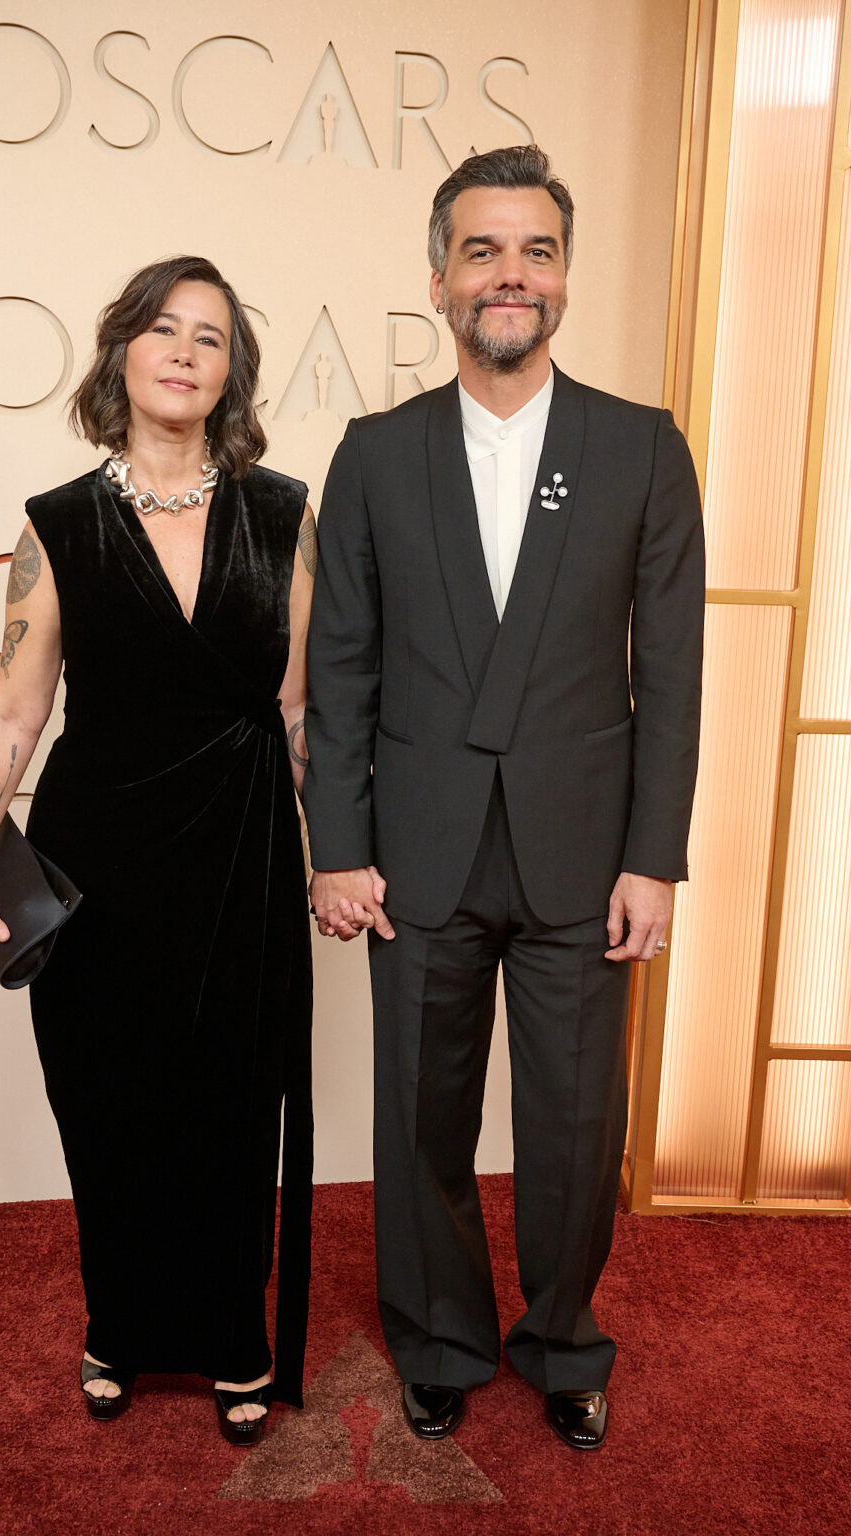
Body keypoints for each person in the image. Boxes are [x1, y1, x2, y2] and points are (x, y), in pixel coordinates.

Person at [304, 146, 704, 1451]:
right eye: (483, 250)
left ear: (566, 278)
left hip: (586, 855)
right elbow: (343, 668)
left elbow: (675, 673)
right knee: (421, 1113)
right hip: (416, 853)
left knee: (578, 1126)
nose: (510, 274)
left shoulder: (641, 451)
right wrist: (338, 846)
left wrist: (655, 860)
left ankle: (563, 1340)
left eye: (535, 249)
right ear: (439, 279)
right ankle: (437, 1338)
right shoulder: (372, 456)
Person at [0, 256, 315, 1443]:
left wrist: (343, 852)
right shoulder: (56, 524)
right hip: (96, 859)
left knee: (227, 1104)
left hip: (241, 854)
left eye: (210, 338)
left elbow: (304, 709)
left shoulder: (281, 513)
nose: (183, 350)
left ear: (230, 375)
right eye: (163, 328)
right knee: (105, 1103)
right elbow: (15, 708)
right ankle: (118, 1324)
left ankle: (231, 1338)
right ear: (121, 352)